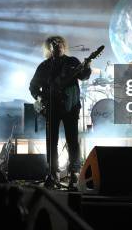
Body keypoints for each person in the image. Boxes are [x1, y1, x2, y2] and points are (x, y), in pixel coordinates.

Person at [29, 36, 92, 189]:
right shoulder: (44, 66)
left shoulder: (72, 62)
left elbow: (84, 76)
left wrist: (87, 66)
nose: (58, 46)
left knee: (72, 140)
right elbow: (33, 86)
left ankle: (74, 173)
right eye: (54, 45)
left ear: (64, 46)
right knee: (52, 140)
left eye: (60, 44)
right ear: (49, 48)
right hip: (52, 107)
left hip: (71, 106)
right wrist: (41, 98)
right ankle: (52, 172)